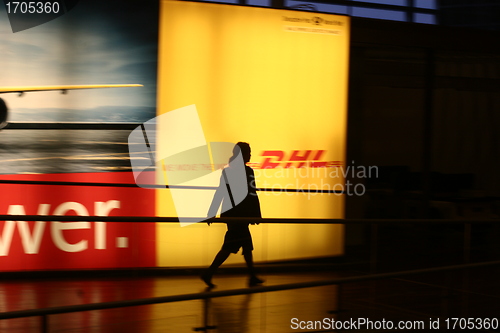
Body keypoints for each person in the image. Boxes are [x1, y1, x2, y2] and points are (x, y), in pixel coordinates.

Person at [201, 142, 264, 288]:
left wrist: (212, 212)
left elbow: (220, 192)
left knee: (245, 246)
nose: (250, 155)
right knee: (230, 247)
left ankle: (252, 276)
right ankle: (209, 273)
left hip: (234, 214)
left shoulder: (228, 171)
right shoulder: (248, 171)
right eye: (248, 152)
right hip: (240, 215)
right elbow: (252, 193)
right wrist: (257, 214)